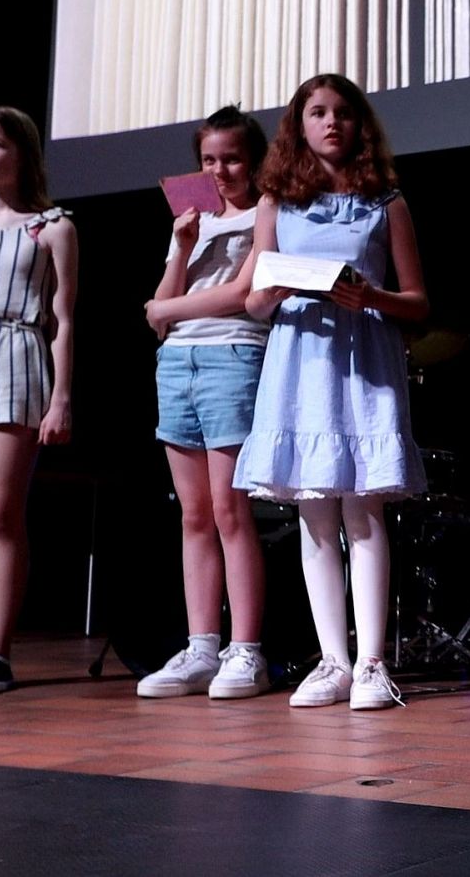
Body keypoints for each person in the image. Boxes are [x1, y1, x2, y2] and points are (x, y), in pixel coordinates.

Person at [233, 74, 428, 710]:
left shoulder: (385, 202)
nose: (332, 122)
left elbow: (418, 302)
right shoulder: (276, 202)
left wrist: (369, 295)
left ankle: (372, 663)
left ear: (359, 124)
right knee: (314, 514)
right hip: (301, 362)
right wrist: (278, 287)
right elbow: (254, 301)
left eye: (343, 112)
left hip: (363, 357)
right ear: (299, 124)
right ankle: (332, 661)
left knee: (362, 510)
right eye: (317, 112)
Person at [136, 107, 272, 700]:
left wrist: (165, 310)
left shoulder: (266, 211)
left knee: (229, 510)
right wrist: (183, 247)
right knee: (193, 515)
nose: (219, 171)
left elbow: (243, 293)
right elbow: (160, 310)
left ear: (254, 160)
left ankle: (247, 651)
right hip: (177, 362)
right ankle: (201, 648)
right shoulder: (191, 222)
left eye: (232, 159)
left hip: (233, 356)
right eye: (209, 160)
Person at [0, 107, 77, 694]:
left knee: (1, 514)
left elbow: (63, 320)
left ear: (23, 152)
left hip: (17, 353)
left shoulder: (52, 226)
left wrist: (61, 398)